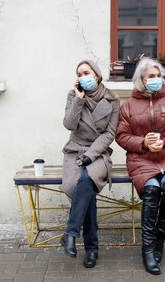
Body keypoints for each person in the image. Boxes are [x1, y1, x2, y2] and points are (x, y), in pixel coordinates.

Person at [116, 57, 165, 275]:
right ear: (141, 79)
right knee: (152, 189)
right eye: (151, 76)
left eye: (159, 76)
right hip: (141, 159)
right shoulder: (128, 106)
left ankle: (159, 240)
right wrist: (142, 142)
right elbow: (121, 136)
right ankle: (148, 249)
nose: (156, 80)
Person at [60, 60, 120, 268]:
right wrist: (78, 100)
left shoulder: (112, 100)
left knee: (86, 180)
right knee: (86, 191)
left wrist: (92, 154)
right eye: (79, 73)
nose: (82, 76)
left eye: (86, 72)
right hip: (75, 149)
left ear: (96, 75)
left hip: (99, 153)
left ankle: (71, 233)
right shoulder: (73, 95)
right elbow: (69, 124)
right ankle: (91, 248)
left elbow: (109, 133)